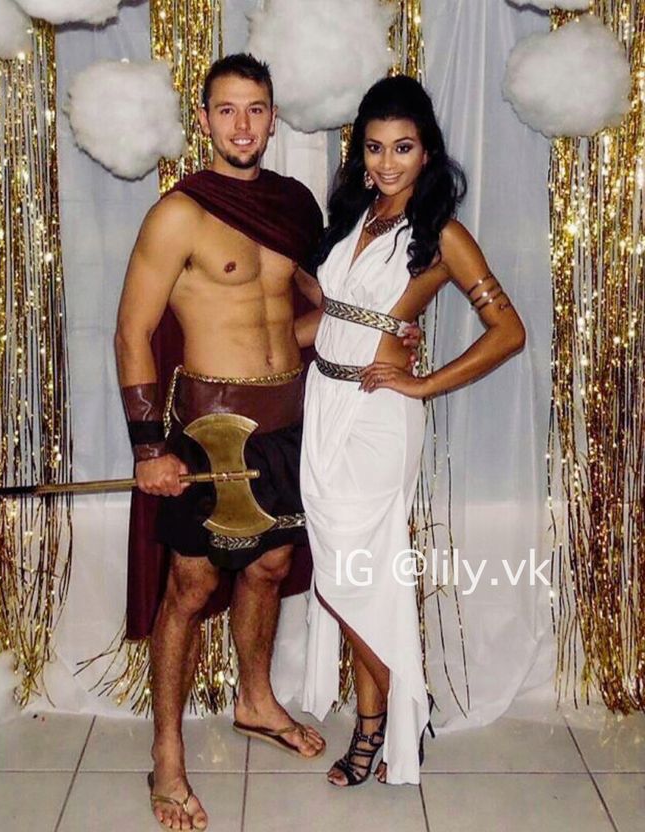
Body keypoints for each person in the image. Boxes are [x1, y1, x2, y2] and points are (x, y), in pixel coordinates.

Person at [114, 55, 421, 830]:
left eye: (256, 110)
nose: (242, 125)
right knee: (189, 588)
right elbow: (133, 330)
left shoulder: (291, 207)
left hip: (292, 423)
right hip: (209, 429)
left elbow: (318, 314)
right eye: (227, 110)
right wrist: (150, 446)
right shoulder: (178, 213)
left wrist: (387, 333)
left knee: (274, 564)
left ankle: (255, 701)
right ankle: (168, 759)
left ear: (274, 117)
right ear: (206, 118)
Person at [298, 75, 526, 788]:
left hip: (377, 420)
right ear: (358, 152)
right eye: (373, 148)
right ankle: (389, 717)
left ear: (427, 153)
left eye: (402, 148)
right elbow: (326, 312)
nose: (386, 163)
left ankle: (390, 717)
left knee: (352, 578)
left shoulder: (441, 235)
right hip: (323, 404)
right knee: (345, 580)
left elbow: (508, 331)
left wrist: (423, 382)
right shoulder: (351, 216)